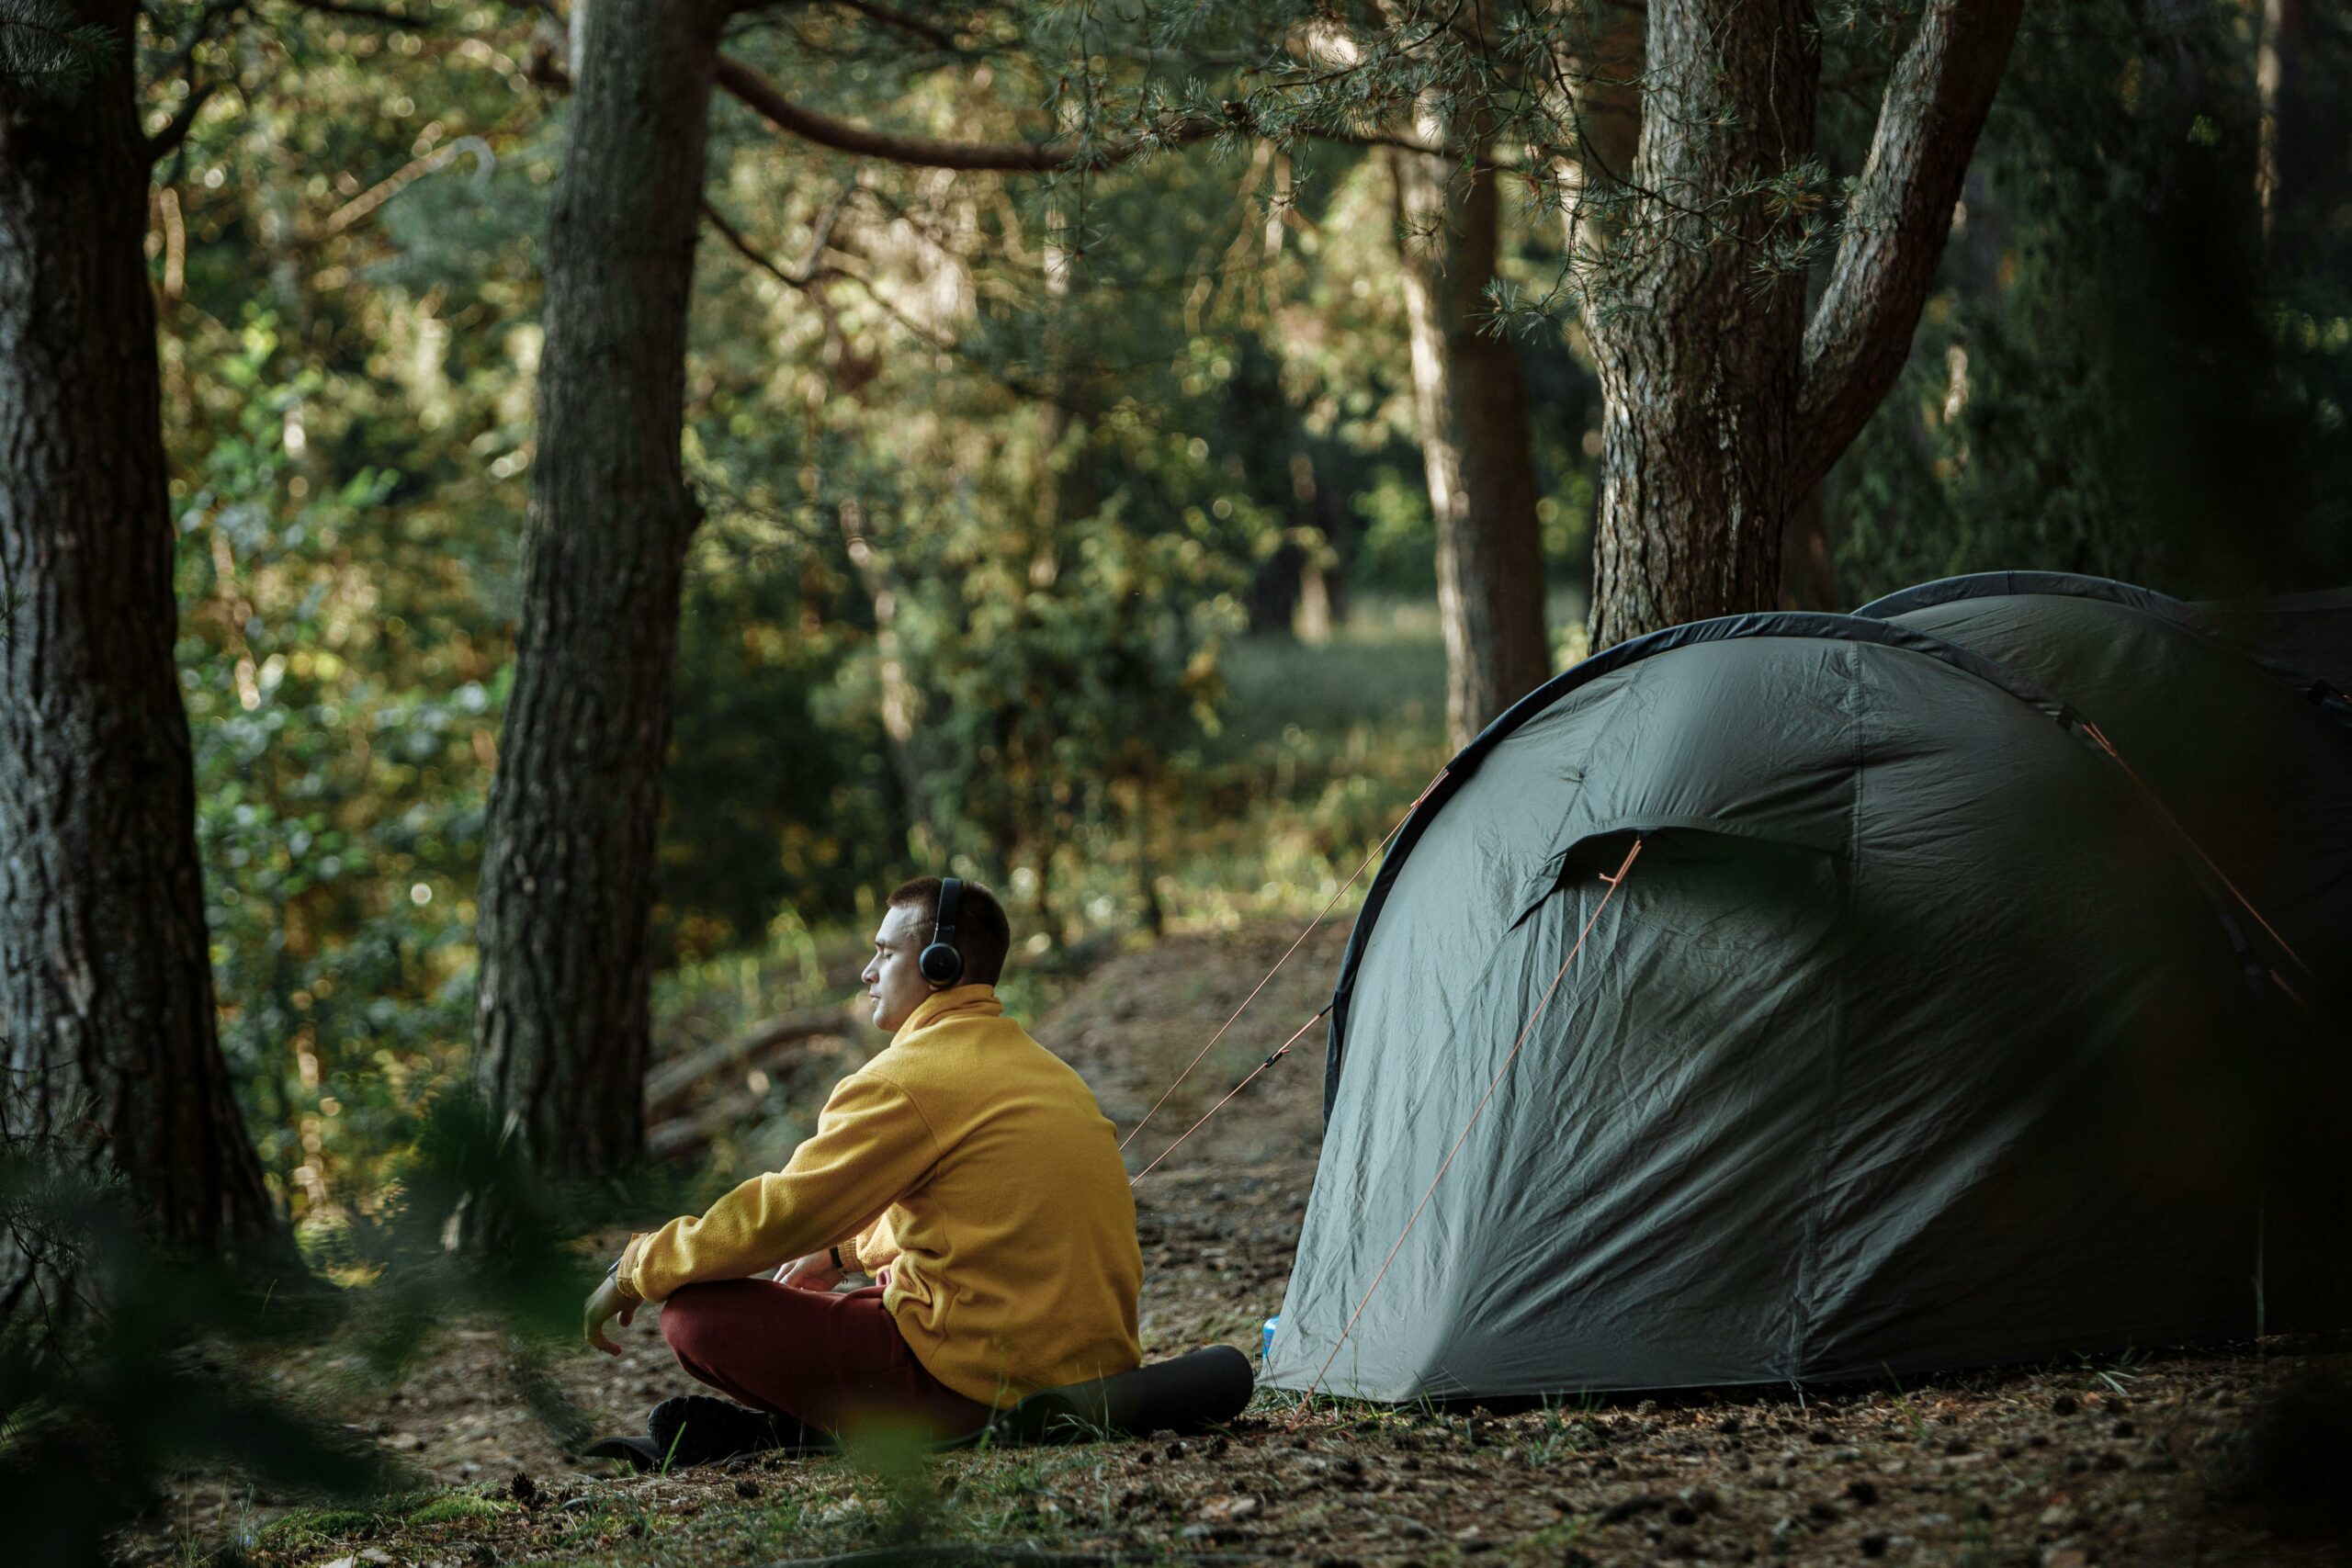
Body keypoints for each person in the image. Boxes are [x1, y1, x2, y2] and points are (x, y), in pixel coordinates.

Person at [582, 876, 1141, 1459]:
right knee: (884, 1284)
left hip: (991, 1388)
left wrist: (637, 1267)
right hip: (1097, 1374)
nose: (868, 972)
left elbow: (781, 1215)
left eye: (886, 952)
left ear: (939, 962)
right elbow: (969, 1208)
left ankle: (850, 1429)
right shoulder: (1045, 1069)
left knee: (695, 1317)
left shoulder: (905, 1080)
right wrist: (837, 1255)